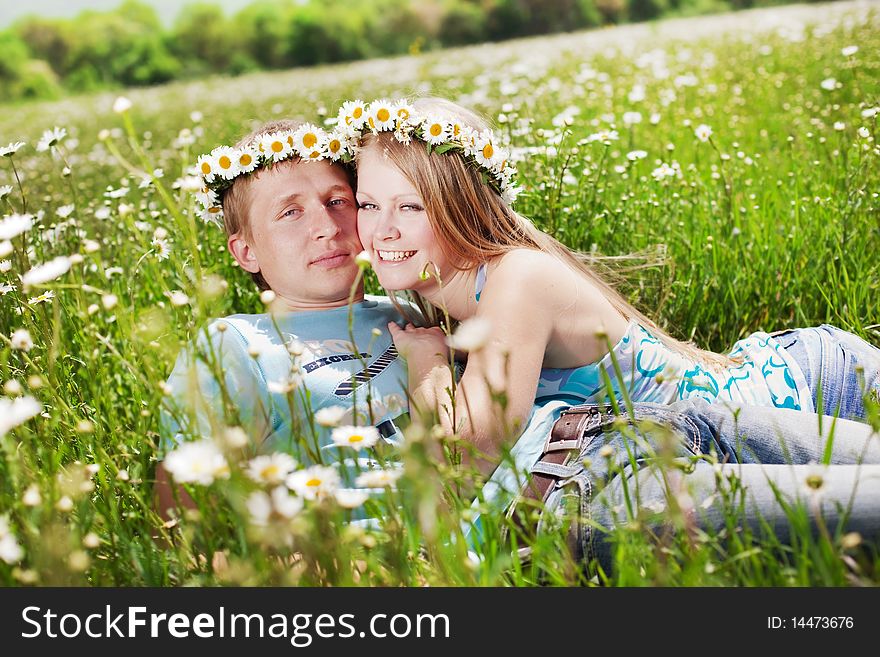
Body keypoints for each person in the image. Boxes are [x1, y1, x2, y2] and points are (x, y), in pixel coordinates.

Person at [342, 96, 880, 476]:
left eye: (410, 206)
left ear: (465, 204)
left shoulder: (516, 279)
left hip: (814, 389)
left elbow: (468, 454)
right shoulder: (460, 297)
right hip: (752, 429)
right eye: (368, 204)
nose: (382, 228)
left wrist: (429, 362)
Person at [155, 119, 410, 517]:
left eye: (337, 201)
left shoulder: (412, 307)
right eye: (291, 212)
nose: (326, 227)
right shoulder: (235, 343)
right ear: (245, 252)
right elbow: (181, 522)